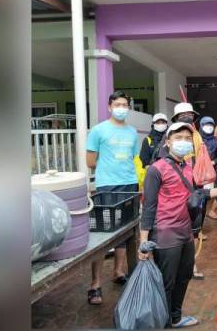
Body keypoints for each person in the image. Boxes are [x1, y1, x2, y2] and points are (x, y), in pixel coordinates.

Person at [139, 122, 217, 328]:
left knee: (184, 276)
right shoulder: (156, 169)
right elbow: (148, 206)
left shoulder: (189, 166)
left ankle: (175, 317)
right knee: (167, 281)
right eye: (178, 137)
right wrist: (144, 241)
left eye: (187, 138)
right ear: (168, 140)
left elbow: (195, 193)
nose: (183, 142)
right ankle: (162, 322)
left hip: (186, 230)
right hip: (165, 232)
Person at [85, 91, 141, 305]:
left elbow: (134, 158)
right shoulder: (98, 130)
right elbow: (91, 161)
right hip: (107, 185)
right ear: (109, 107)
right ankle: (95, 284)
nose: (121, 107)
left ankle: (118, 272)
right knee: (102, 233)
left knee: (125, 232)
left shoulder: (133, 132)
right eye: (117, 104)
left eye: (125, 104)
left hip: (129, 184)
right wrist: (110, 168)